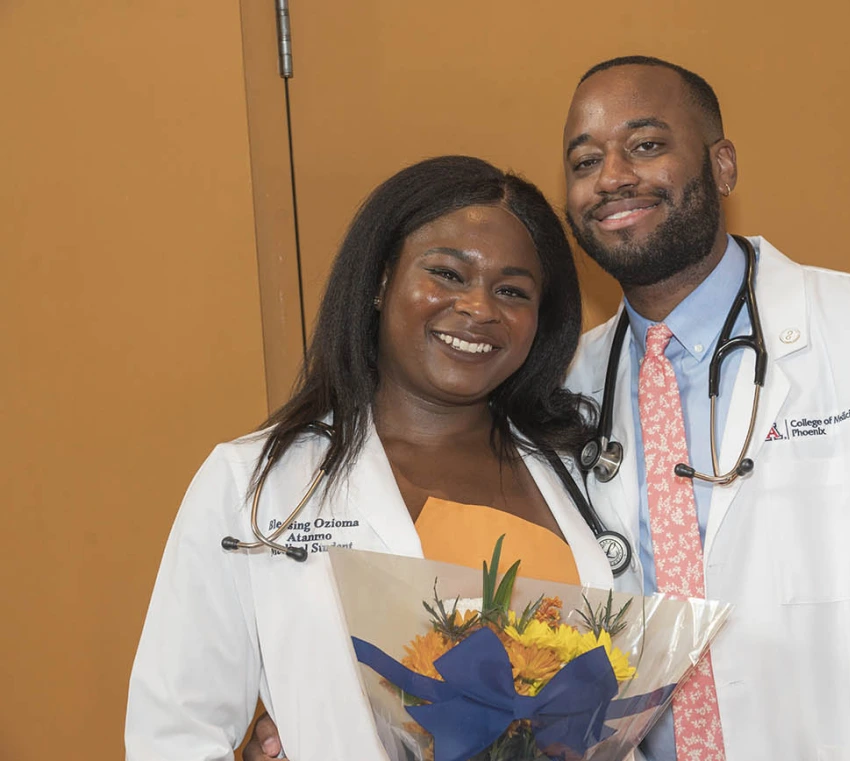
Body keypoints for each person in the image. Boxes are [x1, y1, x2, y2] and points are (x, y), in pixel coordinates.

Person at [244, 57, 850, 761]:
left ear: (721, 166)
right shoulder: (557, 387)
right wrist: (321, 706)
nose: (613, 177)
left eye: (645, 145)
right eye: (584, 160)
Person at [126, 155, 614, 761]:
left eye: (512, 291)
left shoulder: (579, 472)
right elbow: (175, 734)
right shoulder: (256, 484)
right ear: (381, 281)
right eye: (448, 274)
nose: (480, 308)